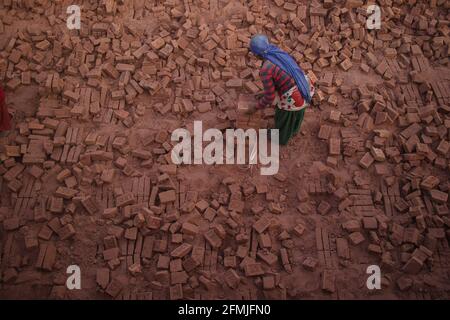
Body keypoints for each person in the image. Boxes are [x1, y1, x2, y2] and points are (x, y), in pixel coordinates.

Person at [249, 34, 315, 145]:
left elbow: (270, 98)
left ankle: (281, 138)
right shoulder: (277, 52)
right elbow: (282, 78)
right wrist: (264, 92)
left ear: (256, 55)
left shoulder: (265, 69)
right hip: (305, 85)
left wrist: (255, 108)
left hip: (295, 97)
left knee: (283, 117)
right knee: (297, 115)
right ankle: (294, 130)